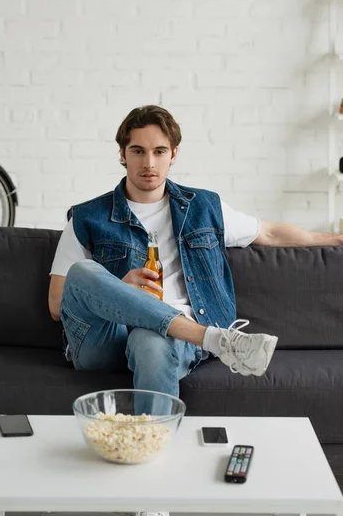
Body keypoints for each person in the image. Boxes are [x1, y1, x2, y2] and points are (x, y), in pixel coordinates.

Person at [48, 105, 341, 516]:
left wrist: (338, 237)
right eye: (137, 151)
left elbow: (272, 232)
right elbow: (59, 304)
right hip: (103, 339)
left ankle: (152, 501)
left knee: (152, 341)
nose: (148, 162)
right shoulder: (87, 216)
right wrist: (120, 286)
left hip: (163, 343)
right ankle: (215, 340)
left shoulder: (203, 208)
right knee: (83, 270)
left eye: (159, 151)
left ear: (174, 154)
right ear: (121, 154)